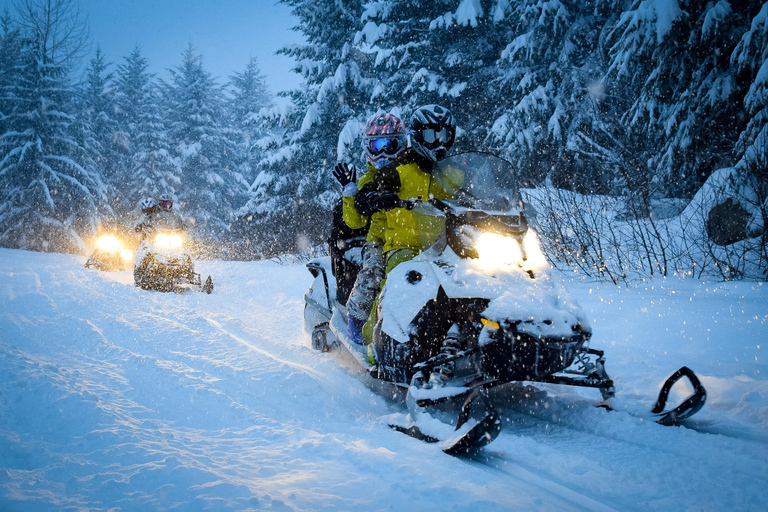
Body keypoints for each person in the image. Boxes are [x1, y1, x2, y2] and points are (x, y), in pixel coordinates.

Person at [352, 105, 460, 349]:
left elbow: (480, 195)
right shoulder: (399, 169)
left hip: (449, 247)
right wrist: (372, 198)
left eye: (445, 136)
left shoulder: (456, 172)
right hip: (404, 247)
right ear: (418, 136)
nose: (439, 144)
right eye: (432, 136)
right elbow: (367, 193)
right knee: (398, 282)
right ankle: (376, 341)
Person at [332, 112, 408, 345]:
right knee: (373, 274)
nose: (383, 153)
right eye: (377, 145)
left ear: (401, 144)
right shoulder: (367, 181)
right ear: (368, 147)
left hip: (410, 238)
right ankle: (356, 320)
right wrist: (350, 193)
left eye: (390, 145)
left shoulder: (410, 173)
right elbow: (355, 222)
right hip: (377, 240)